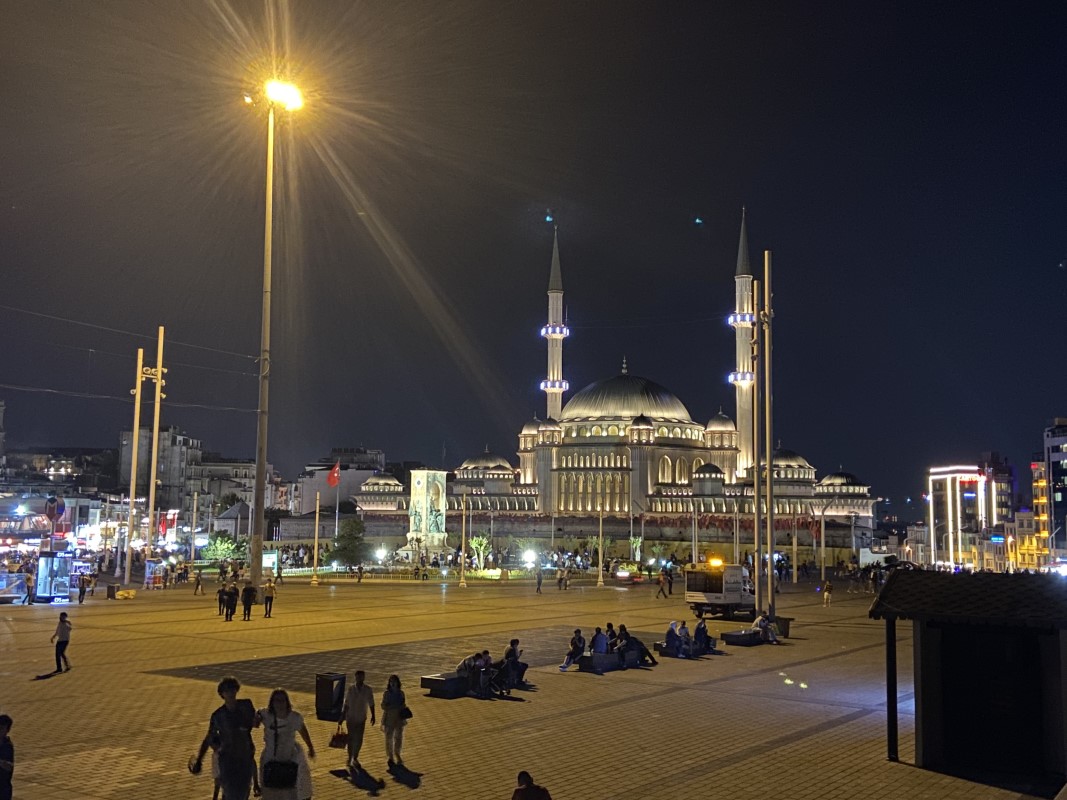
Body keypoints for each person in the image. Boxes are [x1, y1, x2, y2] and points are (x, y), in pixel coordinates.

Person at [192, 677, 257, 800]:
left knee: (243, 792)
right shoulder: (218, 715)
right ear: (222, 694)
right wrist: (200, 759)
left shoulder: (246, 706)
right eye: (227, 691)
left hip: (245, 758)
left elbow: (254, 722)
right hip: (227, 760)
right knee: (233, 792)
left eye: (232, 690)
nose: (230, 693)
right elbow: (209, 738)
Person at [256, 688, 314, 800]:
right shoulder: (266, 715)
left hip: (289, 758)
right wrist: (256, 719)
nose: (280, 704)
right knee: (271, 790)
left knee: (290, 789)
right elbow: (255, 717)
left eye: (282, 700)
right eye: (277, 700)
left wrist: (310, 747)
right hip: (270, 759)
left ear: (287, 702)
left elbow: (303, 730)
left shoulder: (294, 717)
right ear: (272, 702)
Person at [340, 670, 375, 772]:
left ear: (364, 678)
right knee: (351, 739)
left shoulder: (368, 690)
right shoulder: (351, 689)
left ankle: (355, 756)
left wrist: (373, 715)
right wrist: (342, 716)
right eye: (358, 677)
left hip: (361, 718)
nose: (360, 679)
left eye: (361, 677)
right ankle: (350, 757)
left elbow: (371, 703)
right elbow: (346, 704)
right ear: (355, 677)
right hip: (350, 718)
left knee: (359, 739)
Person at [380, 675, 407, 769]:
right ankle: (390, 756)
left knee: (398, 737)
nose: (392, 684)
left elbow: (403, 704)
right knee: (389, 738)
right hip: (389, 718)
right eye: (391, 682)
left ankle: (397, 753)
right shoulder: (387, 694)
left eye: (394, 682)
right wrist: (390, 706)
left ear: (397, 683)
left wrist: (399, 706)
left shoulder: (401, 693)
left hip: (399, 718)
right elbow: (383, 706)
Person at [0, 714, 13, 800]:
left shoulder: (7, 746)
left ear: (7, 730)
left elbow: (9, 767)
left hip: (3, 787)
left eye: (1, 729)